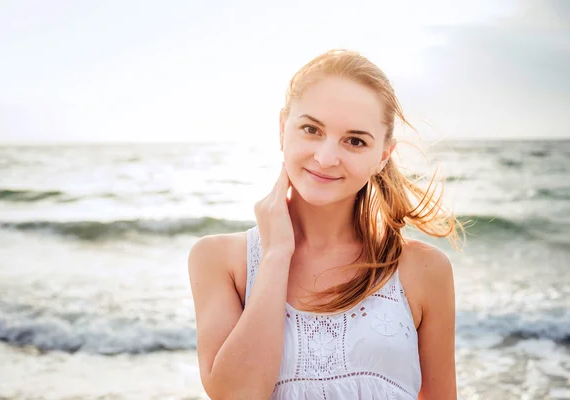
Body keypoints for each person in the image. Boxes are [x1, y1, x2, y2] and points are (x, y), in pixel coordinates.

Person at [188, 49, 461, 400]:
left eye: (355, 141)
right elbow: (237, 395)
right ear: (282, 127)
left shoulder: (423, 270)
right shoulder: (220, 261)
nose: (326, 157)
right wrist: (276, 254)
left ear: (382, 156)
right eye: (311, 129)